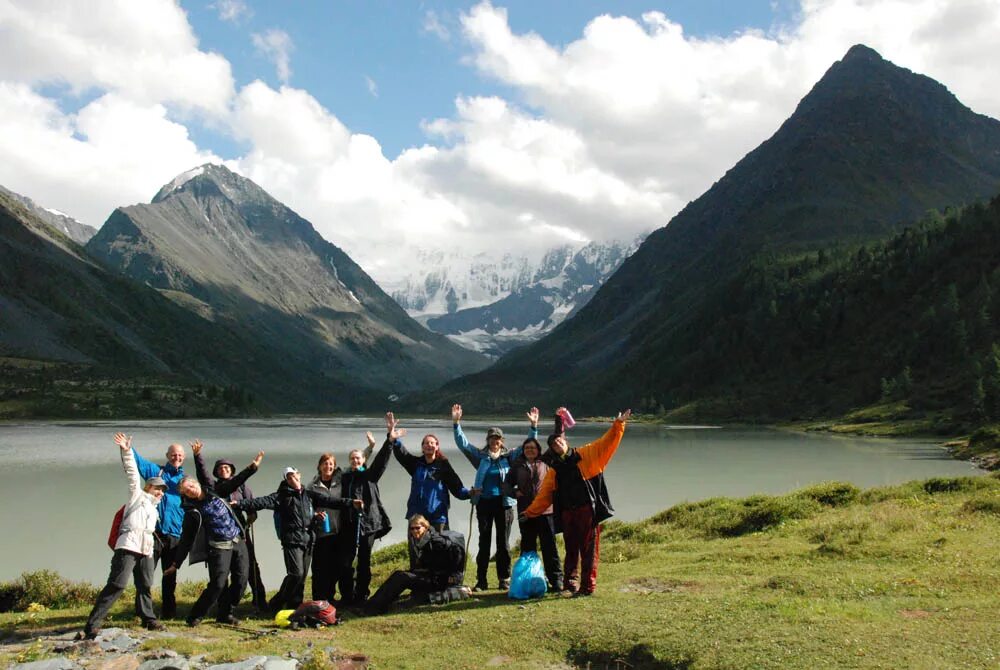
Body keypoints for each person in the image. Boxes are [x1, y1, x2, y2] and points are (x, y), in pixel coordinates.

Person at [521, 408, 631, 597]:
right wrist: (529, 512)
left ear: (565, 441)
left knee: (588, 549)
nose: (557, 444)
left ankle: (587, 587)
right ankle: (570, 584)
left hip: (587, 510)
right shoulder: (554, 470)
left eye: (559, 441)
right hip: (567, 513)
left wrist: (618, 424)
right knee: (571, 549)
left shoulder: (586, 454)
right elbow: (544, 496)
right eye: (554, 444)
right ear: (553, 450)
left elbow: (607, 443)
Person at [236, 465, 359, 613]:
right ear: (286, 480)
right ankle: (277, 602)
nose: (292, 479)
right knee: (296, 574)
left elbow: (329, 501)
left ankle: (295, 605)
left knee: (301, 578)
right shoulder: (281, 496)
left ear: (299, 475)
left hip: (308, 539)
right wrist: (239, 504)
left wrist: (351, 503)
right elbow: (260, 502)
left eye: (294, 475)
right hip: (291, 540)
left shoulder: (309, 495)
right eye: (289, 477)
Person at [82, 432, 167, 639]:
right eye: (158, 489)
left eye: (162, 490)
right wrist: (126, 451)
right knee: (117, 584)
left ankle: (148, 618)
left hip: (146, 548)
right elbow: (132, 473)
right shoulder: (137, 496)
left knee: (145, 584)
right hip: (128, 545)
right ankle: (93, 624)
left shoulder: (155, 509)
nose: (160, 493)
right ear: (149, 487)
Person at [165, 449, 264, 626]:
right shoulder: (192, 512)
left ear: (197, 484)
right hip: (218, 546)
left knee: (241, 581)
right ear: (185, 495)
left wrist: (252, 467)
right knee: (218, 584)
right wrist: (175, 564)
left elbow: (233, 480)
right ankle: (195, 616)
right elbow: (187, 539)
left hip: (237, 540)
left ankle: (226, 613)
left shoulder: (216, 491)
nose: (192, 490)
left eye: (192, 486)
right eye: (187, 491)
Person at [451, 403, 526, 591]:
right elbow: (463, 444)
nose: (495, 441)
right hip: (484, 503)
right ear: (488, 440)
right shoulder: (480, 457)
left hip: (505, 504)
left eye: (498, 438)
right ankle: (481, 580)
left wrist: (533, 427)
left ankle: (504, 578)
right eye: (492, 438)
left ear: (502, 440)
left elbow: (528, 447)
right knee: (483, 542)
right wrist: (456, 423)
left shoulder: (509, 457)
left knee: (503, 543)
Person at [191, 439, 267, 612]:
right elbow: (202, 474)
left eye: (227, 467)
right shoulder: (214, 489)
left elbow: (251, 504)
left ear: (232, 470)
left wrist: (252, 515)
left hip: (241, 532)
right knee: (221, 573)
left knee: (250, 567)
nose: (224, 470)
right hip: (219, 537)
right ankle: (223, 605)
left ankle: (259, 601)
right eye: (220, 468)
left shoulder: (241, 487)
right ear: (216, 472)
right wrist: (197, 456)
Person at [308, 433, 376, 603]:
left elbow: (358, 463)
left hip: (341, 531)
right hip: (322, 533)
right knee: (322, 569)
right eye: (325, 464)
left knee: (342, 567)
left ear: (335, 466)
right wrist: (314, 514)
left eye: (331, 464)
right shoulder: (312, 486)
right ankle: (323, 599)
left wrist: (371, 447)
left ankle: (347, 597)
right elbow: (306, 507)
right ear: (319, 466)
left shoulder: (341, 478)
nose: (328, 467)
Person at [504, 407, 563, 592]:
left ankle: (556, 580)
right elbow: (505, 485)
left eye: (533, 447)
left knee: (549, 547)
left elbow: (557, 441)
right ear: (523, 450)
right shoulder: (517, 465)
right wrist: (515, 493)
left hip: (546, 511)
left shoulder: (546, 461)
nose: (530, 450)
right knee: (528, 548)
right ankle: (528, 580)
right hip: (525, 512)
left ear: (538, 450)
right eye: (527, 448)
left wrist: (559, 420)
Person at [363, 514, 470, 615]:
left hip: (439, 581)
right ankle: (374, 603)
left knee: (401, 577)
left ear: (425, 527)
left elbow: (456, 553)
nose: (414, 531)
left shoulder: (436, 541)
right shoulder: (423, 540)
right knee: (399, 574)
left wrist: (453, 577)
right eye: (412, 528)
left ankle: (373, 608)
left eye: (417, 528)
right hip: (431, 576)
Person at [338, 421, 394, 606]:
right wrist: (369, 447)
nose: (355, 460)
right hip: (348, 523)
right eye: (352, 458)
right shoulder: (344, 477)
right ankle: (347, 595)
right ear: (349, 461)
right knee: (345, 562)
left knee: (364, 562)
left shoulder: (370, 475)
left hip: (368, 524)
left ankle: (361, 595)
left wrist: (389, 440)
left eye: (358, 458)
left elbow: (381, 462)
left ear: (363, 461)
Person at [131, 440, 187, 619]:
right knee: (145, 574)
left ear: (184, 458)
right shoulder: (156, 472)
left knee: (170, 576)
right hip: (154, 534)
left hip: (175, 535)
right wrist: (127, 448)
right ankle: (143, 612)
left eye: (179, 455)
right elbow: (136, 461)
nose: (176, 457)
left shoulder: (185, 481)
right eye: (173, 454)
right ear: (167, 456)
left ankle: (169, 613)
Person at [389, 411, 471, 531]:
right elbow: (403, 455)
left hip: (438, 518)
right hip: (416, 517)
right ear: (422, 447)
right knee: (416, 549)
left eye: (432, 443)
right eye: (426, 443)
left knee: (439, 548)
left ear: (437, 446)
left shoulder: (443, 466)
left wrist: (469, 493)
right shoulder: (416, 464)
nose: (429, 445)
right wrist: (395, 440)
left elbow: (456, 487)